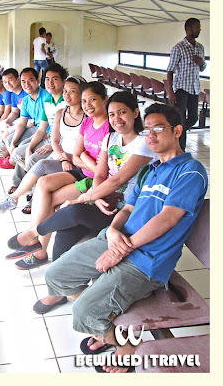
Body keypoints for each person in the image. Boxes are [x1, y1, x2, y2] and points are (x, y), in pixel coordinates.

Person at [39, 103, 207, 373]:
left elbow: (168, 218)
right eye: (147, 130)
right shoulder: (148, 170)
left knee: (83, 312)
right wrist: (115, 230)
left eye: (158, 129)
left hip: (147, 261)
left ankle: (124, 344)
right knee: (55, 277)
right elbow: (128, 208)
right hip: (116, 240)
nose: (150, 135)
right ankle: (105, 321)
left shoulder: (190, 171)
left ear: (177, 131)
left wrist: (120, 250)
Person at [10, 91, 156, 270]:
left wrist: (86, 198)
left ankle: (34, 233)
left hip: (126, 210)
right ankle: (56, 287)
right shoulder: (111, 138)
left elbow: (117, 180)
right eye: (112, 114)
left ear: (135, 113)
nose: (116, 118)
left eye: (122, 112)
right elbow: (101, 175)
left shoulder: (144, 143)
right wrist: (96, 197)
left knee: (74, 210)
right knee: (64, 233)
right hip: (106, 202)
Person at [4, 81, 110, 267]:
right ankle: (35, 241)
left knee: (51, 199)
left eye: (93, 99)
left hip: (93, 180)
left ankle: (38, 248)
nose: (88, 105)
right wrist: (84, 159)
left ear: (105, 100)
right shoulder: (87, 123)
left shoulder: (109, 129)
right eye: (85, 100)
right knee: (43, 184)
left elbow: (103, 169)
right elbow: (76, 156)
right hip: (81, 172)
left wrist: (84, 158)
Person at [0, 75, 84, 214]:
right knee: (36, 161)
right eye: (65, 91)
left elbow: (83, 146)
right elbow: (55, 139)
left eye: (72, 91)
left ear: (82, 93)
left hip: (75, 160)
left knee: (38, 164)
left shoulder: (87, 117)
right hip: (61, 155)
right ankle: (14, 198)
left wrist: (67, 158)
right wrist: (61, 156)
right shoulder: (61, 112)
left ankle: (29, 196)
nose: (67, 95)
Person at [166, 17, 207, 151]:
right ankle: (181, 149)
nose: (199, 30)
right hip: (181, 89)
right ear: (188, 29)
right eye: (196, 27)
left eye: (199, 27)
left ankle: (175, 134)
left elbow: (202, 68)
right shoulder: (178, 48)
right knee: (181, 119)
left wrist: (202, 63)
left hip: (194, 88)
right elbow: (170, 70)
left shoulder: (200, 48)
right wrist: (170, 93)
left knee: (194, 118)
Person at [0, 68, 47, 169]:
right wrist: (12, 143)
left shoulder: (47, 97)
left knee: (22, 147)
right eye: (24, 81)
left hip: (44, 130)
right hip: (36, 128)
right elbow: (21, 123)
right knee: (11, 139)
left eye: (31, 80)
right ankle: (20, 165)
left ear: (38, 80)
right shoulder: (25, 100)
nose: (27, 84)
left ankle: (20, 170)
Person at [0, 68, 27, 152]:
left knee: (6, 133)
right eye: (5, 82)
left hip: (29, 121)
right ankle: (8, 149)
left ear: (18, 79)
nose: (7, 84)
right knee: (1, 125)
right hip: (21, 118)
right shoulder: (13, 93)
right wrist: (7, 121)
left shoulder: (26, 92)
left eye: (10, 80)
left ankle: (10, 156)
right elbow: (15, 112)